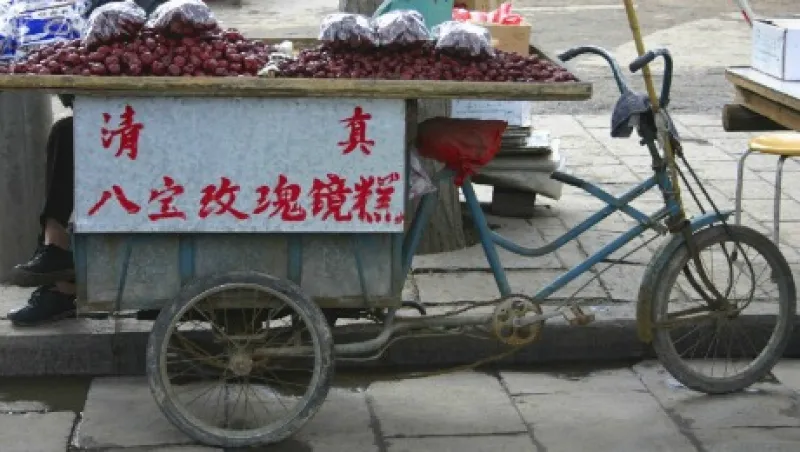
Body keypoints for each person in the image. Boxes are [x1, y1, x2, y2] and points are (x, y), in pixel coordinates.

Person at [6, 0, 169, 326]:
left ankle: (61, 273)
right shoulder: (90, 9)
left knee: (68, 135)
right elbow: (76, 89)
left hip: (163, 129)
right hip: (117, 126)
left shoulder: (169, 11)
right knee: (67, 133)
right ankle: (58, 265)